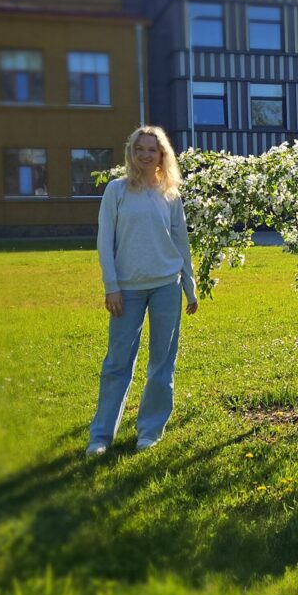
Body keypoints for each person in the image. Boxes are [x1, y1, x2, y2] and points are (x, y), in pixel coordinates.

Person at [85, 125, 198, 456]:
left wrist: (189, 287)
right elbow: (105, 241)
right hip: (127, 290)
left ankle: (149, 431)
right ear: (131, 154)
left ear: (163, 154)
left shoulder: (170, 194)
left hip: (166, 285)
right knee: (117, 363)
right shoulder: (117, 191)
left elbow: (181, 242)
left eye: (153, 149)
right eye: (140, 149)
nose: (146, 155)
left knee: (162, 363)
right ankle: (101, 437)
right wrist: (112, 286)